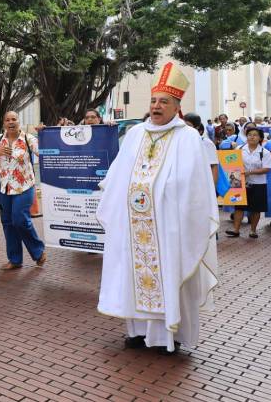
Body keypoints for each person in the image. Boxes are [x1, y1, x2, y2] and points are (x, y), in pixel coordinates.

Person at [97, 63, 218, 354]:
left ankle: (169, 336)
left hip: (168, 226)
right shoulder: (136, 133)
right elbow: (117, 175)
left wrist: (159, 194)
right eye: (153, 100)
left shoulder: (188, 137)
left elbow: (194, 187)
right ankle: (137, 333)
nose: (156, 106)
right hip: (135, 225)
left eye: (164, 101)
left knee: (167, 275)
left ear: (177, 106)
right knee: (132, 274)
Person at [0, 111, 46, 271]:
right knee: (7, 223)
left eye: (14, 119)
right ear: (4, 123)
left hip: (24, 186)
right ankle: (15, 259)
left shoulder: (28, 139)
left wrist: (43, 135)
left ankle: (38, 250)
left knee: (20, 220)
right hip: (4, 187)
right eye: (7, 120)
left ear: (19, 122)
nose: (11, 122)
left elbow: (43, 151)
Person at [225, 127, 271, 239]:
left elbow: (267, 169)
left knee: (256, 208)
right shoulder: (239, 149)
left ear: (260, 138)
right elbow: (231, 164)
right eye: (250, 134)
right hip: (240, 183)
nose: (252, 137)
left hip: (259, 183)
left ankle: (253, 231)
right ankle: (236, 230)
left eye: (255, 135)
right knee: (239, 207)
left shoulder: (264, 152)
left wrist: (249, 172)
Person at [183, 113, 218, 186]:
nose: (185, 128)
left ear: (197, 127)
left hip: (202, 184)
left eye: (188, 126)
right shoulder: (181, 142)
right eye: (183, 125)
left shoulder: (206, 143)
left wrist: (212, 188)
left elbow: (214, 167)